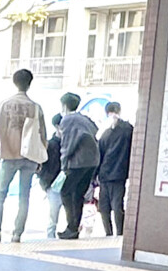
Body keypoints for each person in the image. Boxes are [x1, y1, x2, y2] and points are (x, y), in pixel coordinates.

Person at [0, 68, 43, 241]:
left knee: (0, 193)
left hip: (9, 155)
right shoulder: (35, 107)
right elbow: (42, 135)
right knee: (24, 196)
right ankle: (17, 234)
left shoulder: (6, 104)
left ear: (14, 82)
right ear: (30, 83)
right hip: (30, 157)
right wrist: (40, 157)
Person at [53, 91, 101, 238]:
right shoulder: (84, 118)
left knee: (66, 191)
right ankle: (73, 228)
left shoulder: (67, 120)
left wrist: (64, 164)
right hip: (92, 161)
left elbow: (68, 144)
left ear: (64, 105)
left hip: (77, 162)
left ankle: (71, 227)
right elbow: (95, 130)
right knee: (78, 193)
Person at [95, 100, 133, 235]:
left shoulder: (104, 130)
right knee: (117, 204)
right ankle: (120, 233)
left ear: (106, 113)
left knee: (104, 206)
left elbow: (99, 153)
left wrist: (95, 176)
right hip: (120, 173)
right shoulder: (128, 129)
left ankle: (108, 233)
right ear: (119, 111)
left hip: (105, 173)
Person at [38, 112, 66, 237]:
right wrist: (46, 184)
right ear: (56, 126)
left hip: (67, 184)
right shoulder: (50, 145)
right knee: (53, 214)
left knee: (70, 214)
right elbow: (42, 165)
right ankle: (50, 238)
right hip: (53, 184)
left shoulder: (69, 143)